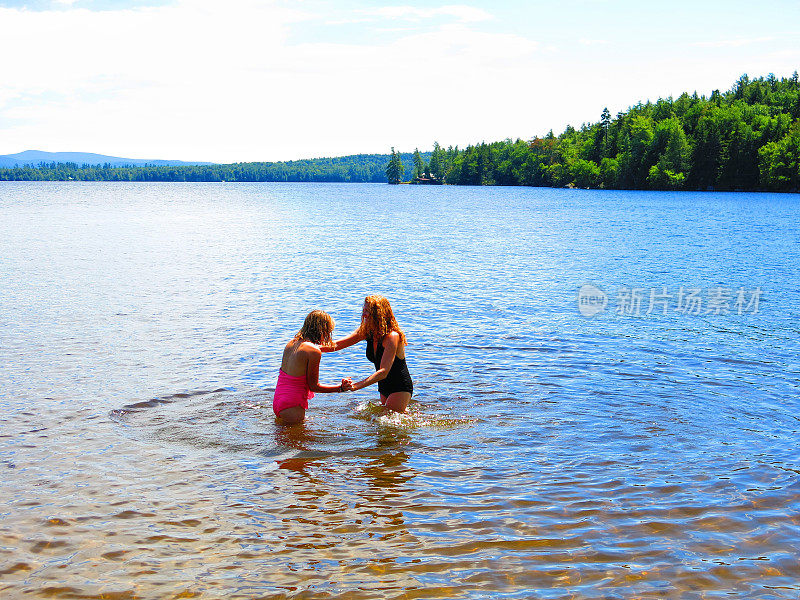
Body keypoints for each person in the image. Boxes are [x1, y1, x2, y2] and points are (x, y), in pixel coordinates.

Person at [325, 295, 413, 413]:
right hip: (383, 386)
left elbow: (383, 372)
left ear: (379, 314)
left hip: (400, 386)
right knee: (386, 420)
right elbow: (337, 345)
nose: (364, 314)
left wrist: (356, 386)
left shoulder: (392, 336)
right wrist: (311, 347)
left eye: (368, 311)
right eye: (364, 310)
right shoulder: (367, 331)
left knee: (388, 421)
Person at [273, 310, 352, 425]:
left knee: (284, 438)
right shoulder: (313, 351)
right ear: (322, 330)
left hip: (278, 399)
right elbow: (314, 386)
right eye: (329, 331)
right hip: (292, 403)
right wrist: (340, 388)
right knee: (297, 442)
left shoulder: (291, 343)